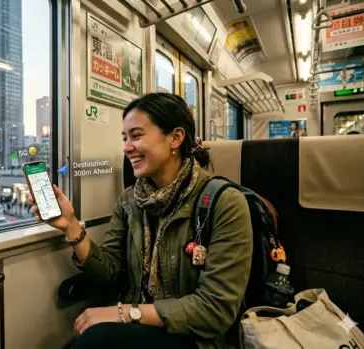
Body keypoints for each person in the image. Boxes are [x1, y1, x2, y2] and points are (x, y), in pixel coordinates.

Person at [30, 93, 253, 349]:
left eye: (136, 136)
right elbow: (109, 271)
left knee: (98, 339)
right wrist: (70, 226)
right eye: (125, 138)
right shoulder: (131, 200)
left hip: (194, 337)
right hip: (139, 324)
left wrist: (123, 313)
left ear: (176, 138)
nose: (126, 148)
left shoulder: (225, 203)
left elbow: (214, 309)